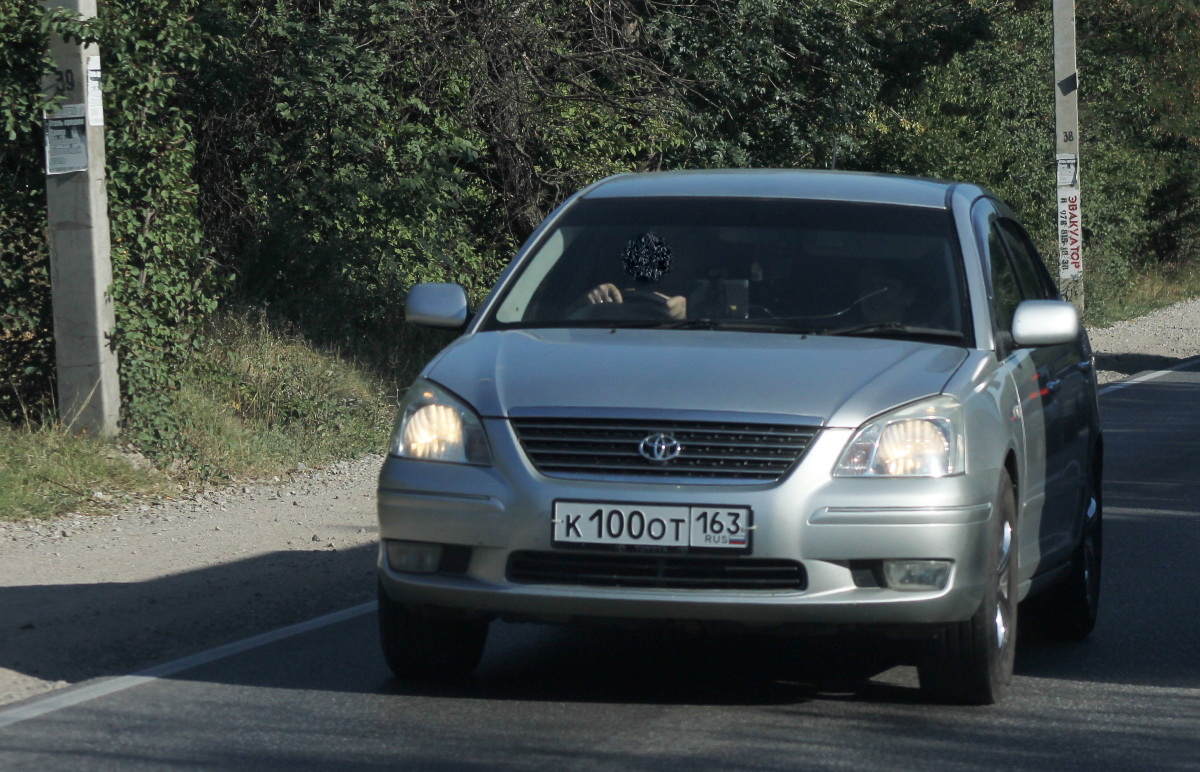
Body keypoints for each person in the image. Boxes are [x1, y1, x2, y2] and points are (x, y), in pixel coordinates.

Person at [582, 232, 687, 320]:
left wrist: (686, 318)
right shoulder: (597, 301)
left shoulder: (698, 298)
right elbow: (569, 332)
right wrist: (585, 306)